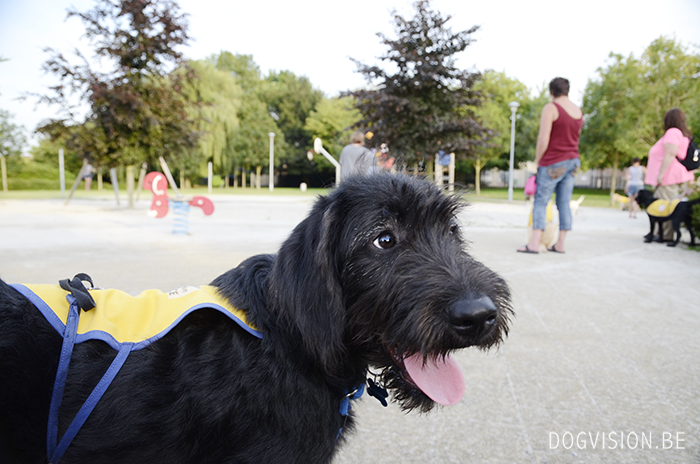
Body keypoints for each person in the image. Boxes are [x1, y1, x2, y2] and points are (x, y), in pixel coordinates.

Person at [518, 77, 583, 254]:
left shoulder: (551, 107)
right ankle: (560, 244)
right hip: (573, 161)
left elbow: (543, 138)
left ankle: (534, 244)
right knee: (564, 203)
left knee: (540, 201)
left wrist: (539, 161)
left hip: (554, 161)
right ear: (567, 90)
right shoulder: (578, 111)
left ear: (551, 92)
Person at [644, 108, 695, 241]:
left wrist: (661, 174)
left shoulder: (673, 132)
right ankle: (659, 233)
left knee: (664, 207)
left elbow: (670, 153)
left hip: (668, 177)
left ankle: (665, 235)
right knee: (667, 205)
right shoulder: (681, 134)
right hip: (673, 176)